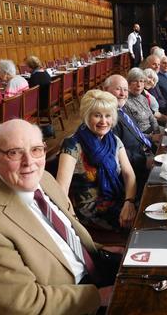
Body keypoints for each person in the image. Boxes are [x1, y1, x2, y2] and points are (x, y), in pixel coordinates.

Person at [0, 119, 117, 314]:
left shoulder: (44, 179)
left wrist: (101, 250)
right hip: (64, 303)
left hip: (91, 273)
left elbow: (64, 237)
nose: (29, 162)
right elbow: (26, 304)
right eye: (14, 152)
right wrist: (99, 297)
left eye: (36, 150)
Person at [56, 90, 137, 230]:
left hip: (116, 199)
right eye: (97, 116)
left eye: (108, 116)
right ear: (87, 116)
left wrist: (129, 202)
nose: (104, 121)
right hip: (89, 212)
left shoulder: (113, 140)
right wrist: (73, 223)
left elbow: (129, 175)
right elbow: (60, 190)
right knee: (142, 223)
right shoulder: (72, 145)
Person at [104, 74, 154, 199]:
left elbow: (136, 135)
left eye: (125, 90)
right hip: (135, 171)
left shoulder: (121, 110)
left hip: (147, 153)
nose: (123, 94)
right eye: (118, 89)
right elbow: (115, 152)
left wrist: (152, 138)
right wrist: (145, 161)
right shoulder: (107, 118)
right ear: (105, 90)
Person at [123, 67, 160, 134]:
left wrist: (157, 133)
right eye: (135, 81)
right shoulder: (125, 102)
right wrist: (152, 138)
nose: (139, 85)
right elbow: (132, 131)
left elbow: (152, 118)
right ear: (128, 83)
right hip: (143, 138)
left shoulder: (143, 98)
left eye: (141, 81)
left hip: (153, 133)